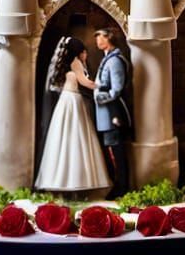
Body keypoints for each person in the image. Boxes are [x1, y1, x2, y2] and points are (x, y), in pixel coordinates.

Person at [34, 36, 110, 194]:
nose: (86, 56)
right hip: (73, 101)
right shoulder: (76, 63)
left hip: (65, 100)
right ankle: (77, 180)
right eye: (84, 52)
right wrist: (104, 86)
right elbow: (85, 82)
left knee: (62, 138)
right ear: (79, 52)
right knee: (76, 137)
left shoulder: (65, 64)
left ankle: (60, 178)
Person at [93, 27, 132, 199]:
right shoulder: (107, 59)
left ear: (109, 38)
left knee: (116, 149)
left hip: (112, 112)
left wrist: (100, 97)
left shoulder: (115, 61)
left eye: (100, 36)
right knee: (111, 148)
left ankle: (121, 186)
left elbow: (116, 90)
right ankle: (118, 184)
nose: (97, 40)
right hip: (105, 113)